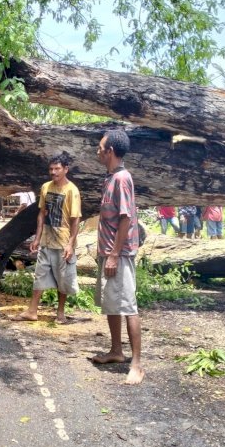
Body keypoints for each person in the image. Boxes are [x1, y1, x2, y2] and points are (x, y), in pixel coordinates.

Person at [91, 129, 145, 385]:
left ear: (110, 151)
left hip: (119, 254)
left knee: (127, 306)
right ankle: (116, 351)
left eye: (101, 147)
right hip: (108, 252)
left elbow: (126, 218)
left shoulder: (122, 179)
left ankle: (137, 364)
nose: (98, 151)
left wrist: (114, 254)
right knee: (112, 303)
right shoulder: (110, 178)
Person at [11, 153, 81, 323]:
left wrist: (70, 244)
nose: (53, 172)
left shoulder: (72, 190)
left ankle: (61, 313)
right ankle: (32, 311)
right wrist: (37, 237)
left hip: (63, 243)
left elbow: (75, 219)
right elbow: (41, 214)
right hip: (46, 241)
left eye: (57, 169)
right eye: (51, 169)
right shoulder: (46, 187)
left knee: (62, 278)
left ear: (65, 169)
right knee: (40, 275)